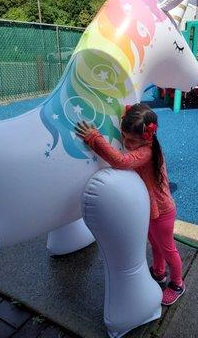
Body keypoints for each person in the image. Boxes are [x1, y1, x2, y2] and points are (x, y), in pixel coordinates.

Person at [75, 103, 185, 306]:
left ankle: (177, 283)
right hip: (151, 210)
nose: (126, 143)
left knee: (168, 249)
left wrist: (94, 138)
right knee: (155, 244)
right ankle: (159, 273)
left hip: (162, 212)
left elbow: (121, 161)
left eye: (131, 140)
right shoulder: (143, 145)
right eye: (123, 137)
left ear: (147, 137)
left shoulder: (147, 152)